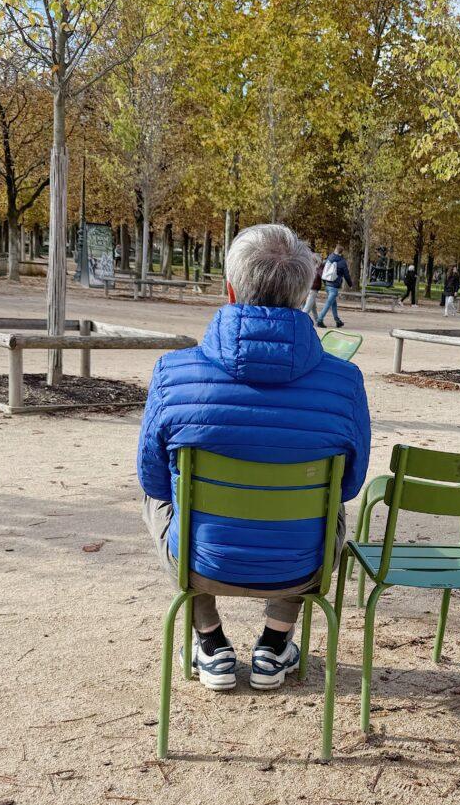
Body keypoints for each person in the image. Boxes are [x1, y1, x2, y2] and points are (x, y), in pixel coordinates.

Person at [138, 224, 370, 691]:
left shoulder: (173, 371)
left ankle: (210, 643)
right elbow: (350, 483)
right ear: (307, 290)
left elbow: (153, 480)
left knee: (159, 495)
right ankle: (274, 644)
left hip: (202, 561)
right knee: (326, 504)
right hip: (299, 565)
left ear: (229, 290)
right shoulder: (345, 382)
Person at [317, 243, 352, 329]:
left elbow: (324, 270)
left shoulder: (329, 258)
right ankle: (320, 319)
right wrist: (350, 284)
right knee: (329, 303)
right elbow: (346, 274)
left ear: (335, 250)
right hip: (334, 286)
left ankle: (337, 321)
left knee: (333, 304)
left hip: (327, 285)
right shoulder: (342, 262)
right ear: (341, 252)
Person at [302, 253, 324, 321]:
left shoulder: (308, 265)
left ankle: (317, 319)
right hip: (313, 288)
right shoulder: (318, 267)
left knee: (313, 305)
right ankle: (301, 319)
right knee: (308, 306)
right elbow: (322, 275)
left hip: (307, 286)